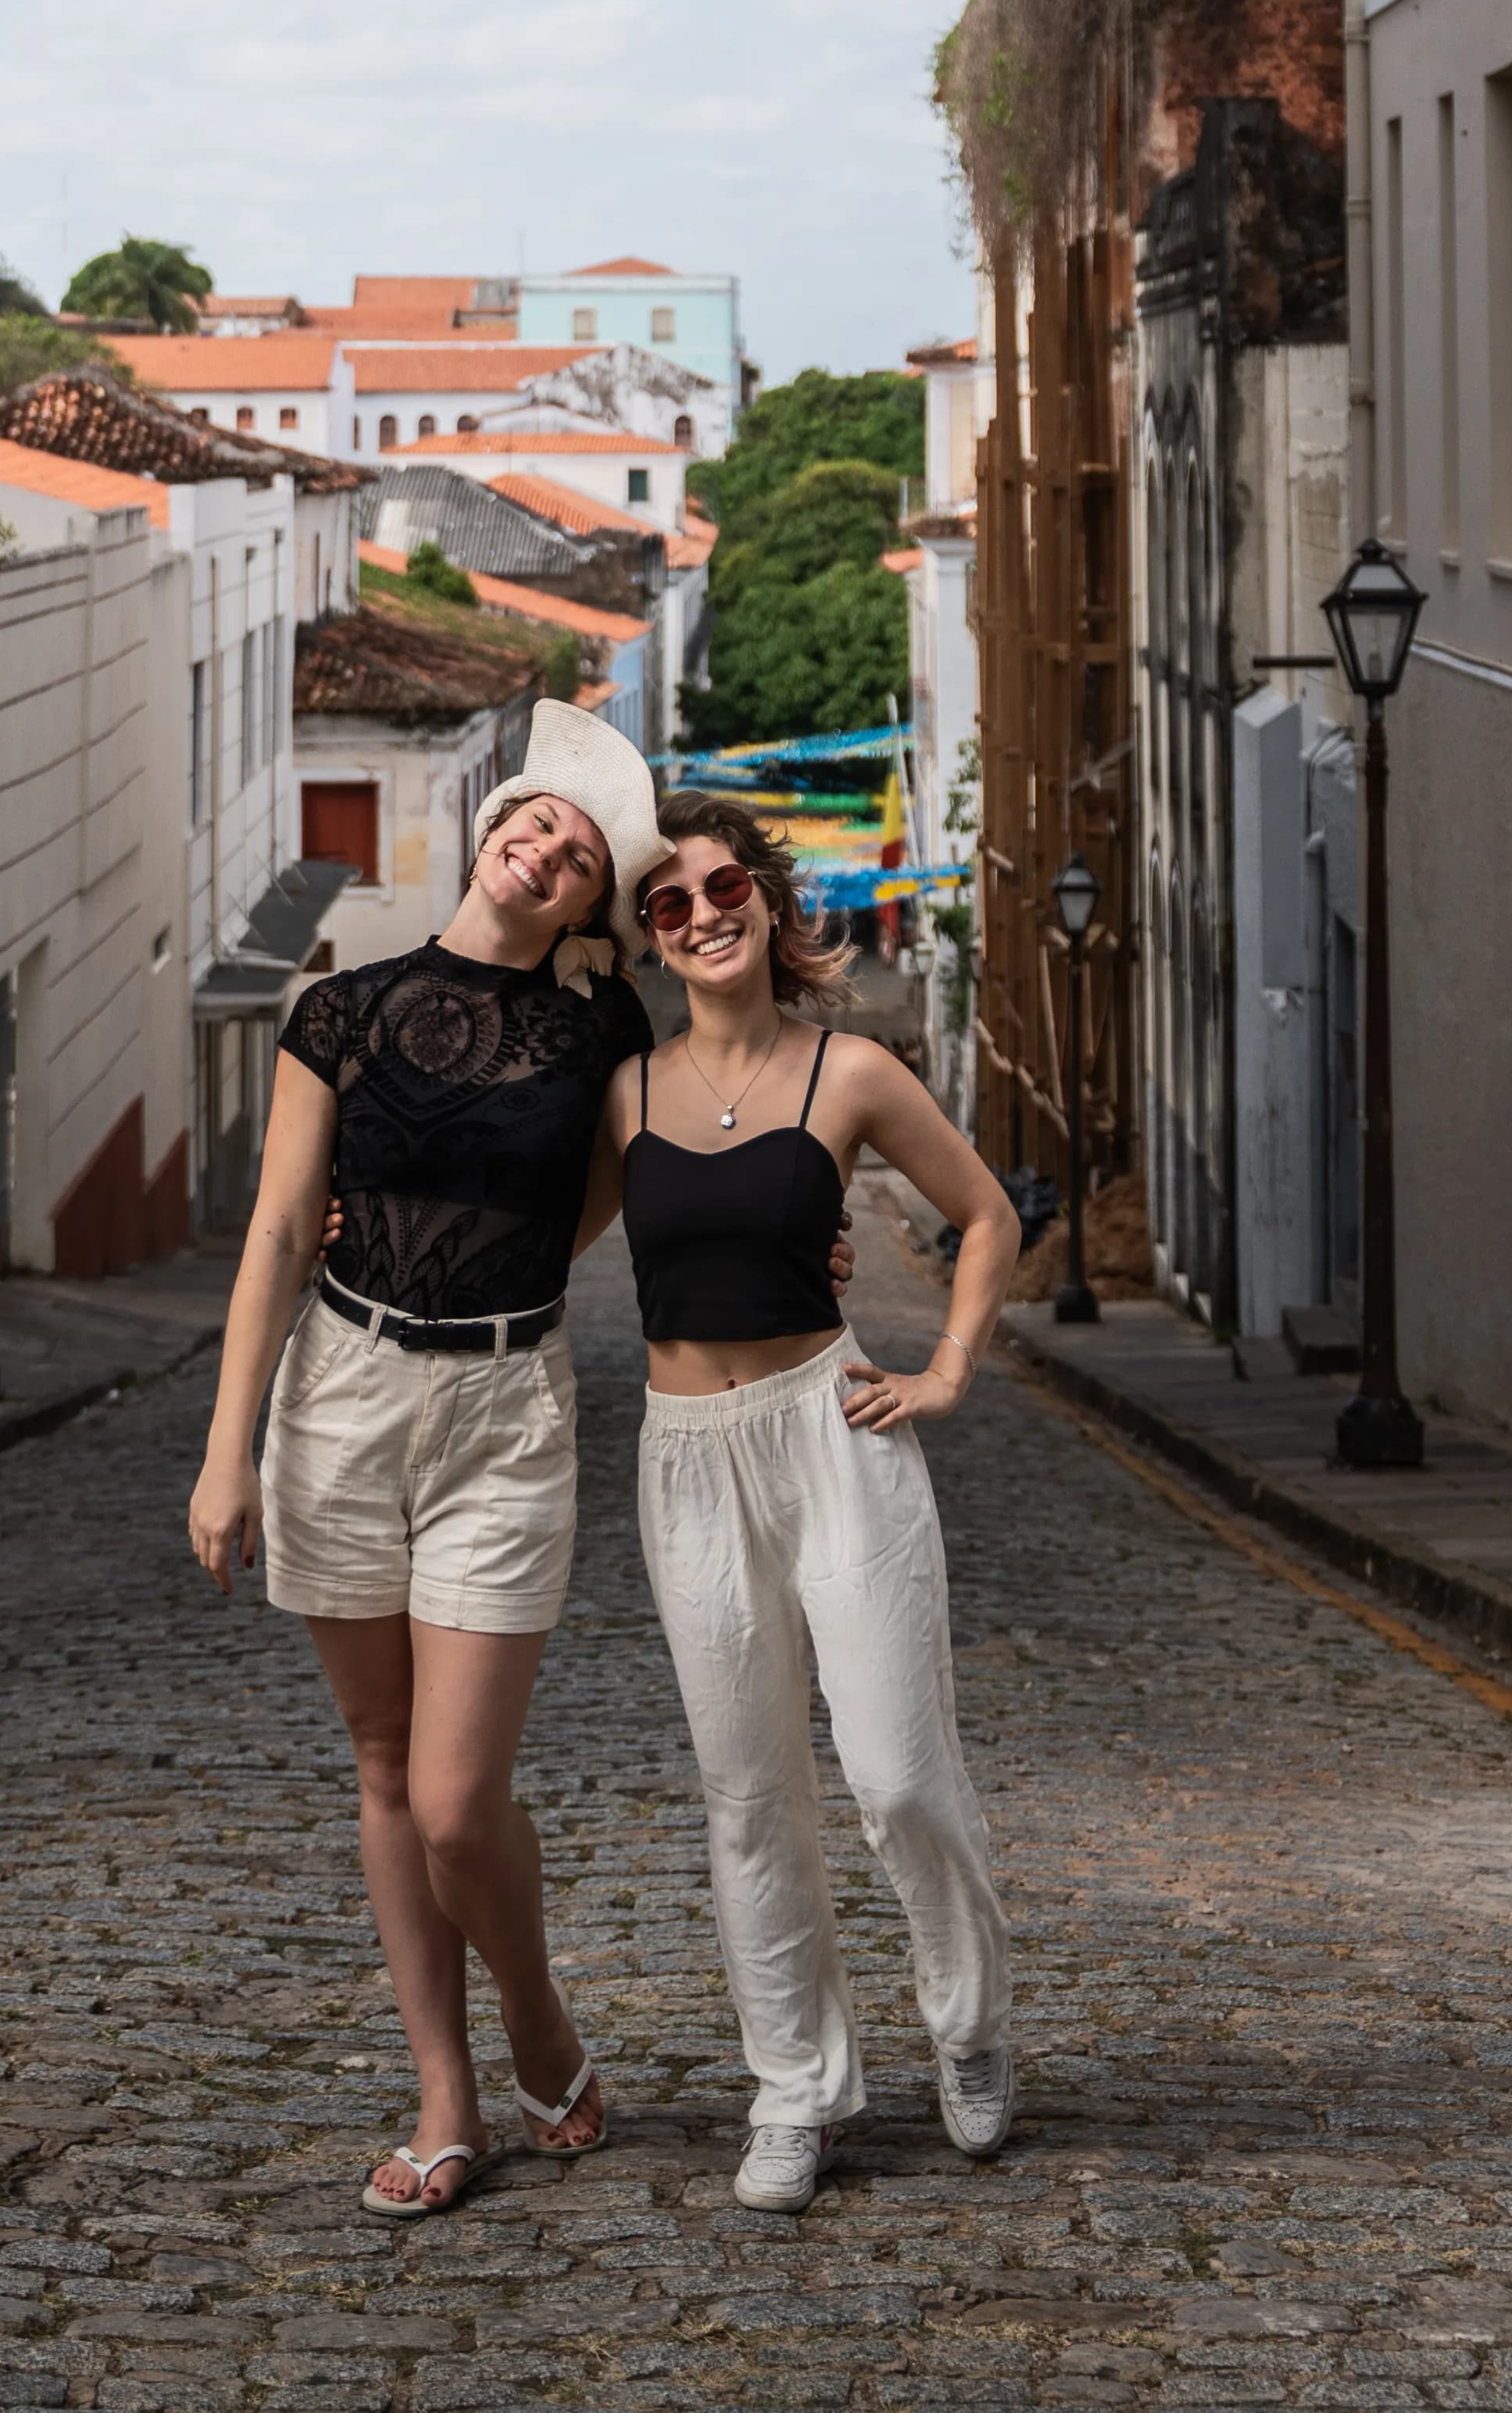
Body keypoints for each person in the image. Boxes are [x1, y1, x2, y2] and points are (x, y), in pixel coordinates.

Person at [186, 698, 660, 2221]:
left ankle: (537, 2012)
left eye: (579, 856)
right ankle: (446, 2091)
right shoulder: (339, 1011)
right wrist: (228, 1451)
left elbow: (613, 1196)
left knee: (461, 1799)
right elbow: (275, 1229)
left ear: (593, 900)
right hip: (339, 1392)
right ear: (489, 826)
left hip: (508, 1411)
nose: (544, 853)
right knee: (384, 1769)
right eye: (534, 824)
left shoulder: (601, 1030)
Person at [604, 789, 1021, 2211]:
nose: (705, 914)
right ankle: (799, 2089)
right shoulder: (626, 1091)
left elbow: (986, 1215)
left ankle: (967, 2028)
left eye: (727, 889)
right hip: (689, 1457)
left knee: (900, 1776)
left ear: (772, 908)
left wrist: (948, 1367)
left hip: (834, 1439)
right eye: (671, 902)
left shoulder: (851, 1073)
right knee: (748, 1799)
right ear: (650, 938)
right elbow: (512, 1243)